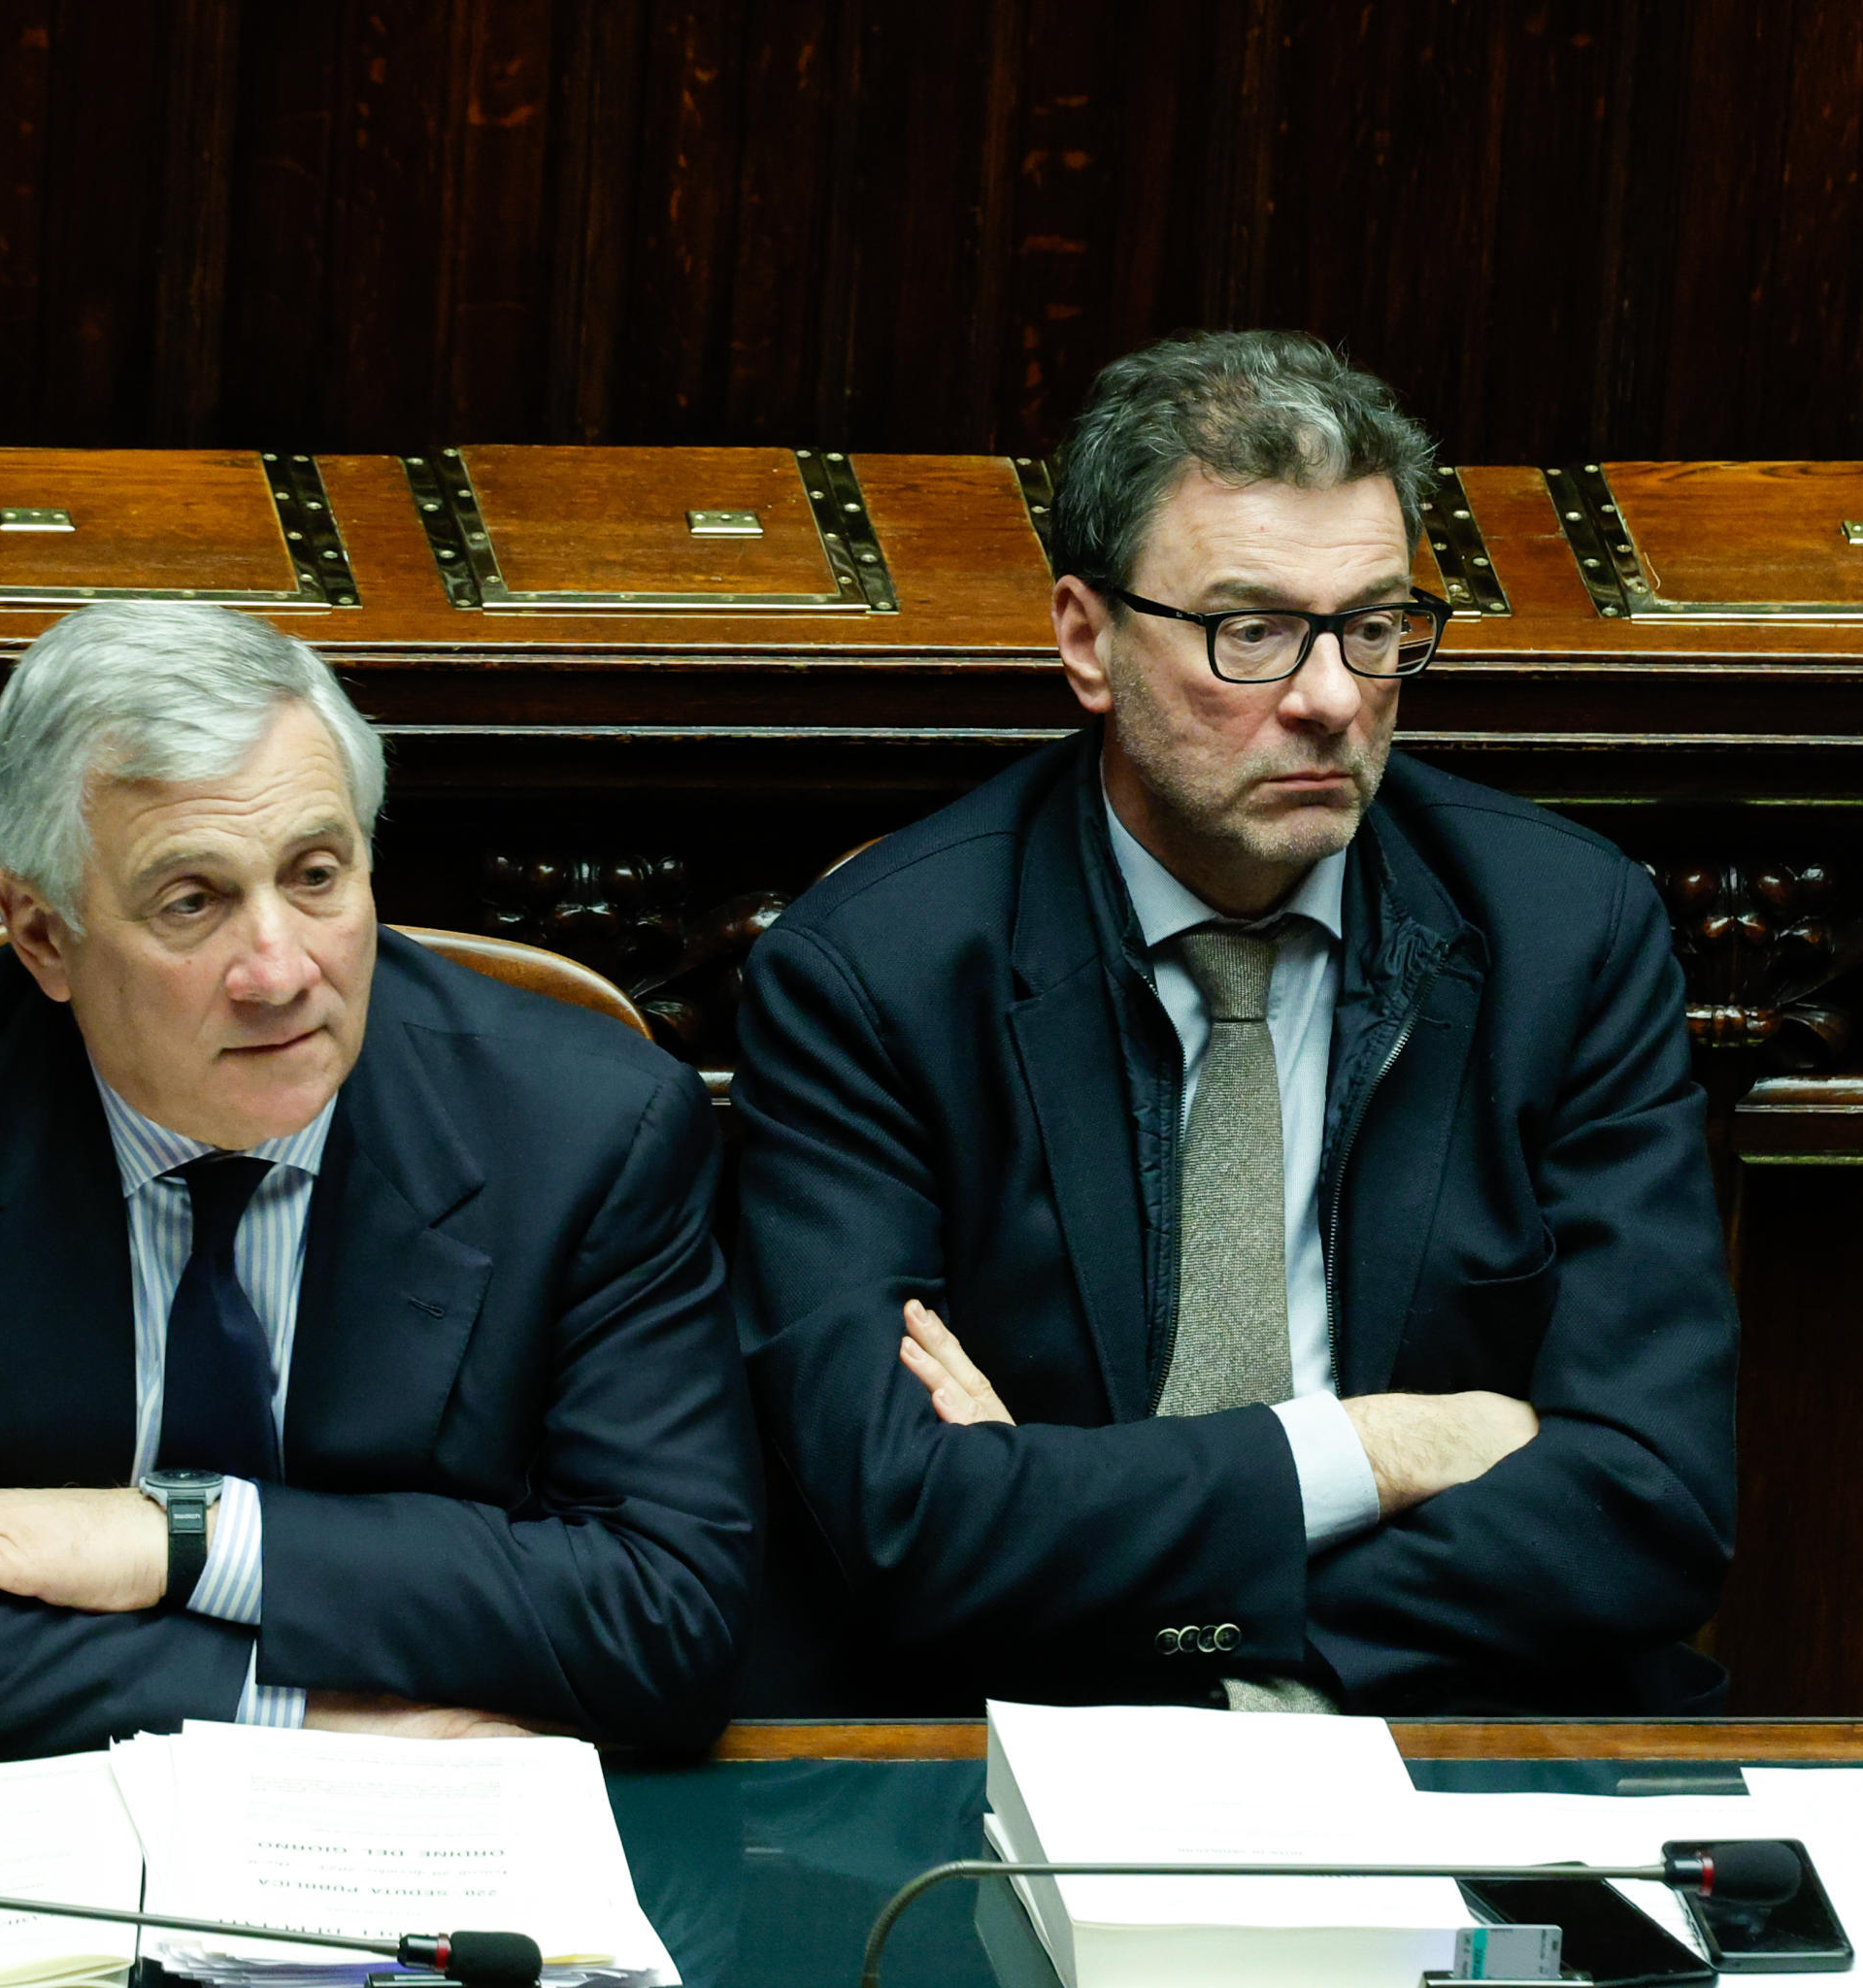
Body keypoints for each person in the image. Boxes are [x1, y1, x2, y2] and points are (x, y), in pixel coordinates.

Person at [730, 331, 1737, 1715]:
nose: (1330, 699)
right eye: (1251, 631)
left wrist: (1134, 1585)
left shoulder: (1568, 934)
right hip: (1009, 1757)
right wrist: (1379, 1452)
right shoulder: (880, 977)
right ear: (1087, 640)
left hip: (1447, 1714)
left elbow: (1653, 1501)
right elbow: (905, 1524)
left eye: (1373, 627)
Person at [0, 602, 756, 1761]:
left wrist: (187, 1538)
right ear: (41, 933)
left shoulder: (588, 1128)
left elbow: (670, 1618)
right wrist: (282, 1708)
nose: (281, 970)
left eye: (317, 875)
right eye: (194, 900)